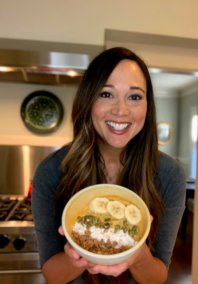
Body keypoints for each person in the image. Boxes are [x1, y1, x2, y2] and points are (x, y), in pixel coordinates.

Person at [32, 47, 186, 284]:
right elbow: (52, 274)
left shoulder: (169, 175)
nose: (121, 110)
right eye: (106, 94)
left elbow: (157, 276)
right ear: (88, 100)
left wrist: (138, 256)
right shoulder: (51, 172)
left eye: (135, 96)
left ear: (148, 106)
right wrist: (76, 256)